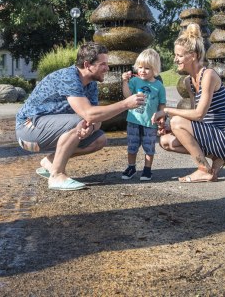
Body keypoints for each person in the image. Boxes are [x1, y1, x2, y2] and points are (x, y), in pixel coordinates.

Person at [16, 42, 146, 191]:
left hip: (46, 129)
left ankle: (50, 162)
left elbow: (94, 118)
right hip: (27, 130)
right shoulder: (68, 77)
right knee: (81, 120)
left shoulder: (91, 85)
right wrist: (125, 104)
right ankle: (56, 176)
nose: (107, 68)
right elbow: (89, 113)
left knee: (99, 139)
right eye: (103, 64)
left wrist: (88, 127)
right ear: (87, 64)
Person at [159, 24, 225, 182]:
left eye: (179, 55)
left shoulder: (208, 75)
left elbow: (199, 114)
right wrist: (170, 128)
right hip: (214, 133)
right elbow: (195, 118)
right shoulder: (189, 82)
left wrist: (167, 111)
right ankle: (217, 159)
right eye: (175, 55)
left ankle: (204, 169)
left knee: (177, 121)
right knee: (166, 141)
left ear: (193, 55)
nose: (175, 59)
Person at [120, 49, 166, 181]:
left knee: (149, 147)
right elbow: (127, 96)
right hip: (133, 120)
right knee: (132, 146)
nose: (142, 71)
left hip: (150, 123)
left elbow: (162, 104)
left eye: (147, 68)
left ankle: (147, 169)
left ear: (155, 69)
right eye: (140, 67)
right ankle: (131, 167)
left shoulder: (159, 86)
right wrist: (124, 82)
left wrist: (161, 117)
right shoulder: (134, 82)